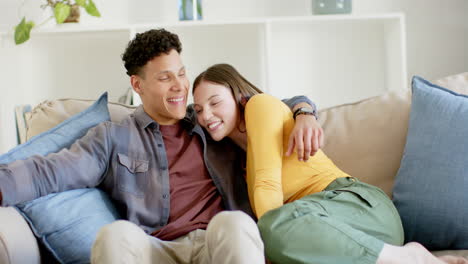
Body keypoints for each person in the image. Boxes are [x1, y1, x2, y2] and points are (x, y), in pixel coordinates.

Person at [0, 29, 321, 264]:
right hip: (156, 250)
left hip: (218, 243)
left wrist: (303, 111)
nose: (180, 85)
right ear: (137, 85)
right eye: (165, 78)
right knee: (115, 235)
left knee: (235, 222)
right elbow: (47, 173)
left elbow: (266, 105)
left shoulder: (211, 120)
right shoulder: (113, 137)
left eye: (181, 73)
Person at [192, 63, 468, 264]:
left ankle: (411, 258)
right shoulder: (241, 162)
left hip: (359, 208)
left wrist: (269, 243)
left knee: (272, 224)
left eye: (215, 102)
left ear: (239, 97)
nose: (207, 115)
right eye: (200, 109)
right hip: (344, 239)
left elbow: (268, 190)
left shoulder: (260, 106)